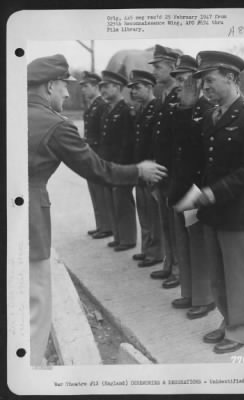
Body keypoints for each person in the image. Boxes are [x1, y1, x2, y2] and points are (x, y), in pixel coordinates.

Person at [28, 54, 167, 366]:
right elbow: (99, 170)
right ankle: (30, 371)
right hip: (29, 221)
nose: (68, 93)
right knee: (34, 301)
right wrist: (139, 171)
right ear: (50, 85)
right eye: (65, 86)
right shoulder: (55, 124)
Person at [192, 51, 244, 353]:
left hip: (238, 211)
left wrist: (214, 192)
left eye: (209, 80)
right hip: (213, 211)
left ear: (232, 78)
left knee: (238, 275)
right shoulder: (213, 114)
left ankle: (242, 330)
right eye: (202, 82)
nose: (205, 88)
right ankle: (229, 321)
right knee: (219, 273)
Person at [167, 55, 216, 319]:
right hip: (180, 183)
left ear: (197, 81)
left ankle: (204, 297)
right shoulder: (182, 107)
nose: (179, 83)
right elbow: (175, 146)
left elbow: (203, 150)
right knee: (183, 244)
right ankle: (189, 292)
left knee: (197, 245)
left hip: (196, 187)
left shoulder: (207, 108)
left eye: (184, 78)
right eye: (176, 78)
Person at [148, 44, 180, 289]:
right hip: (163, 169)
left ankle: (179, 268)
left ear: (173, 66)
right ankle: (170, 262)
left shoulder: (181, 93)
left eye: (159, 66)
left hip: (175, 170)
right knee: (165, 220)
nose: (155, 71)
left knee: (177, 222)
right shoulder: (163, 94)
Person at [128, 70, 164, 267]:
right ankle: (147, 248)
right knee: (143, 211)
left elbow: (157, 142)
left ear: (150, 87)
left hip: (151, 168)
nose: (133, 92)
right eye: (132, 89)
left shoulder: (157, 107)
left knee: (153, 213)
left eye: (137, 87)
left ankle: (156, 252)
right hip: (140, 168)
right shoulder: (141, 109)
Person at [99, 70, 137, 252]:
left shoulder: (125, 110)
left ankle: (128, 238)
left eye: (106, 86)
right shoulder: (108, 110)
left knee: (122, 201)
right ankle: (118, 235)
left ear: (118, 87)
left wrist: (121, 166)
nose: (103, 90)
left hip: (121, 165)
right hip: (108, 164)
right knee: (112, 201)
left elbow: (127, 142)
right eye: (101, 87)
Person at [79, 71, 112, 239]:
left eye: (86, 86)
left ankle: (107, 226)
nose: (83, 90)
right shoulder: (92, 105)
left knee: (101, 190)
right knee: (94, 190)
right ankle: (101, 224)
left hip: (99, 153)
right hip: (91, 151)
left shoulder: (102, 105)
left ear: (95, 87)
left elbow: (103, 134)